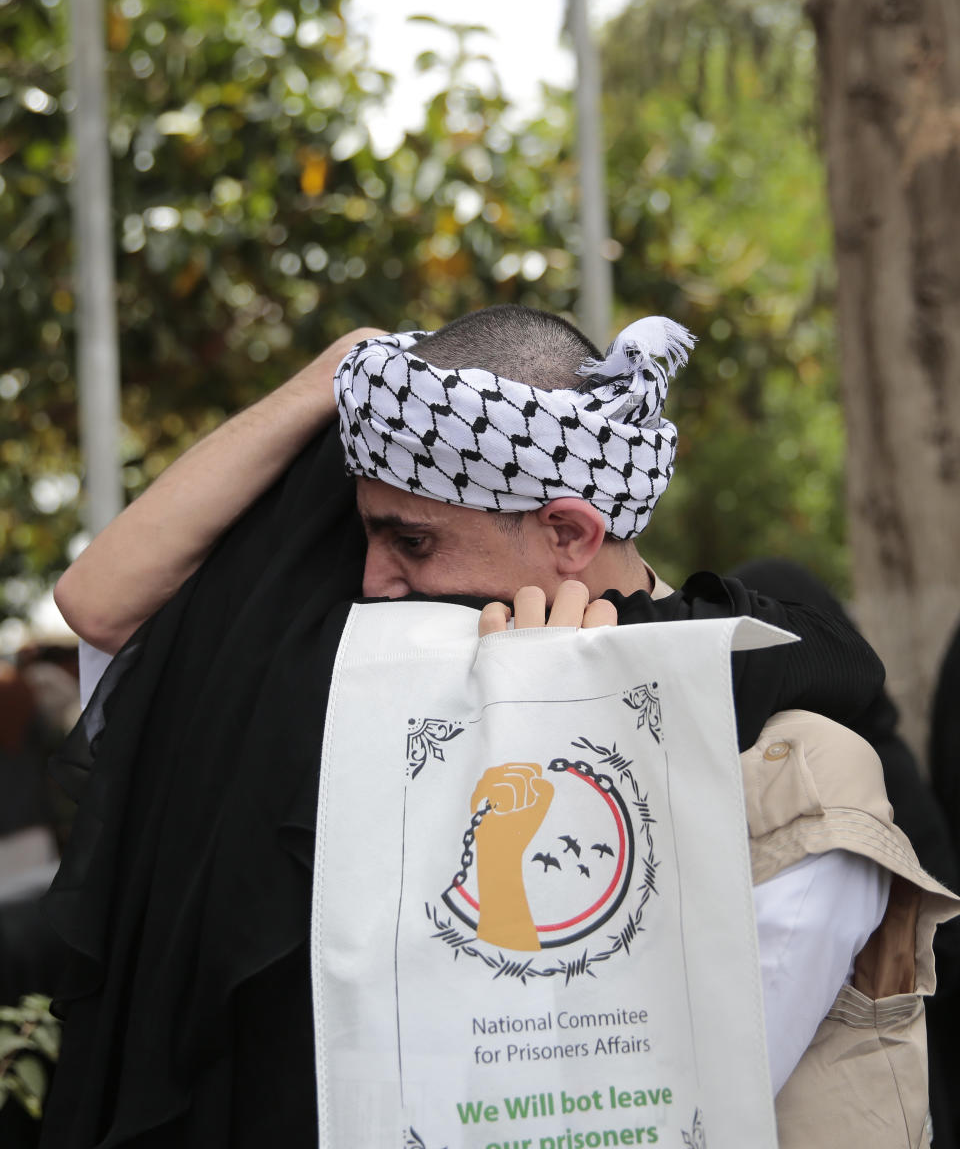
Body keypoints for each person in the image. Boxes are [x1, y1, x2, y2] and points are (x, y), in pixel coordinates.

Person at [49, 306, 957, 1148]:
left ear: (568, 533)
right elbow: (101, 603)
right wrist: (332, 373)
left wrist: (564, 712)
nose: (371, 583)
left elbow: (628, 1095)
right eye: (370, 534)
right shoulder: (360, 673)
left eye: (412, 542)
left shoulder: (788, 769)